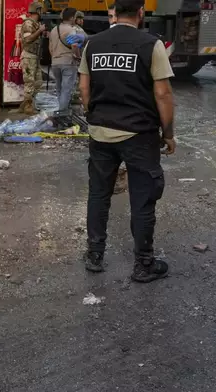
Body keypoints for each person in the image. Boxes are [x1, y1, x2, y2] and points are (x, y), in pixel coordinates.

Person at [79, 0, 176, 283]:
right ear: (140, 13)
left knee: (99, 194)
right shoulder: (150, 44)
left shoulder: (93, 44)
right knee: (142, 199)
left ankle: (95, 255)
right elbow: (163, 95)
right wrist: (168, 133)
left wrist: (94, 116)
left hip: (100, 133)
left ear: (115, 12)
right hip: (139, 135)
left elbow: (84, 88)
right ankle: (143, 264)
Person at [49, 7, 80, 111]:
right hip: (67, 62)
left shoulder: (54, 30)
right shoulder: (70, 30)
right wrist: (77, 56)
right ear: (72, 18)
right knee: (66, 90)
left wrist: (55, 57)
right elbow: (74, 45)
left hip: (55, 63)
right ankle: (62, 114)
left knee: (59, 89)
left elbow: (50, 48)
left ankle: (60, 111)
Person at [20, 2, 46, 115]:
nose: (43, 13)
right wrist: (39, 31)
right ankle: (27, 107)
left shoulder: (36, 23)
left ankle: (28, 103)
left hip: (35, 57)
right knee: (29, 82)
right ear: (38, 11)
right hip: (29, 56)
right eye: (41, 10)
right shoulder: (28, 23)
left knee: (38, 82)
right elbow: (27, 39)